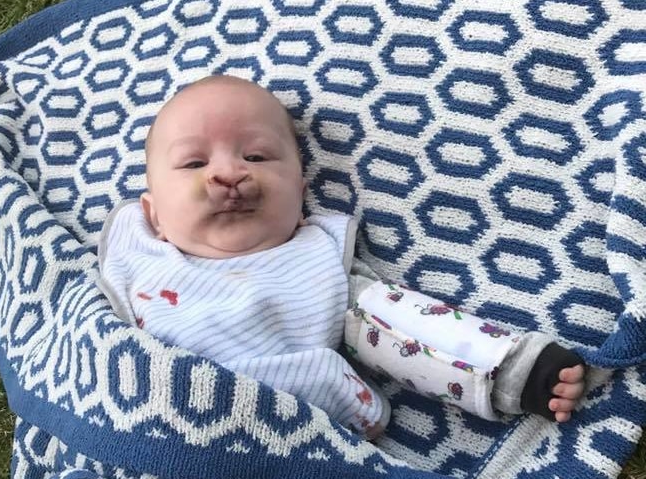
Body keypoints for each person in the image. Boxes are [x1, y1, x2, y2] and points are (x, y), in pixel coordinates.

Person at [97, 75, 585, 439]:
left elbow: (410, 331)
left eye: (258, 157)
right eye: (194, 162)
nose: (228, 173)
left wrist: (519, 374)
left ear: (300, 193)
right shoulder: (134, 258)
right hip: (142, 425)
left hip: (282, 438)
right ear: (153, 214)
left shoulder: (315, 267)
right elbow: (79, 331)